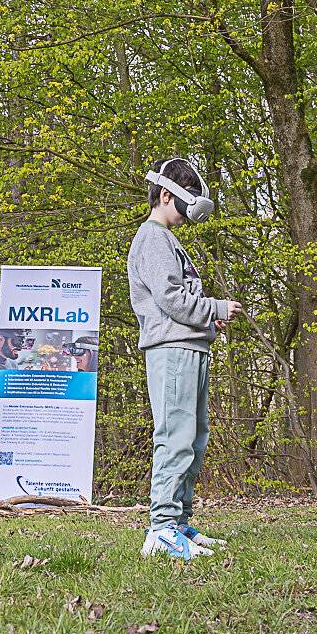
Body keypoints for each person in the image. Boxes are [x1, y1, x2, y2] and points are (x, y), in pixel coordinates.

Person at [128, 156, 241, 561]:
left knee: (194, 439)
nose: (191, 211)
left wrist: (208, 321)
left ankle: (178, 524)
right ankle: (160, 529)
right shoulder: (152, 238)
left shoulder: (169, 240)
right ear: (164, 195)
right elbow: (171, 299)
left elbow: (180, 301)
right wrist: (215, 308)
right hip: (171, 350)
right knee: (174, 438)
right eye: (186, 201)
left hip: (190, 347)